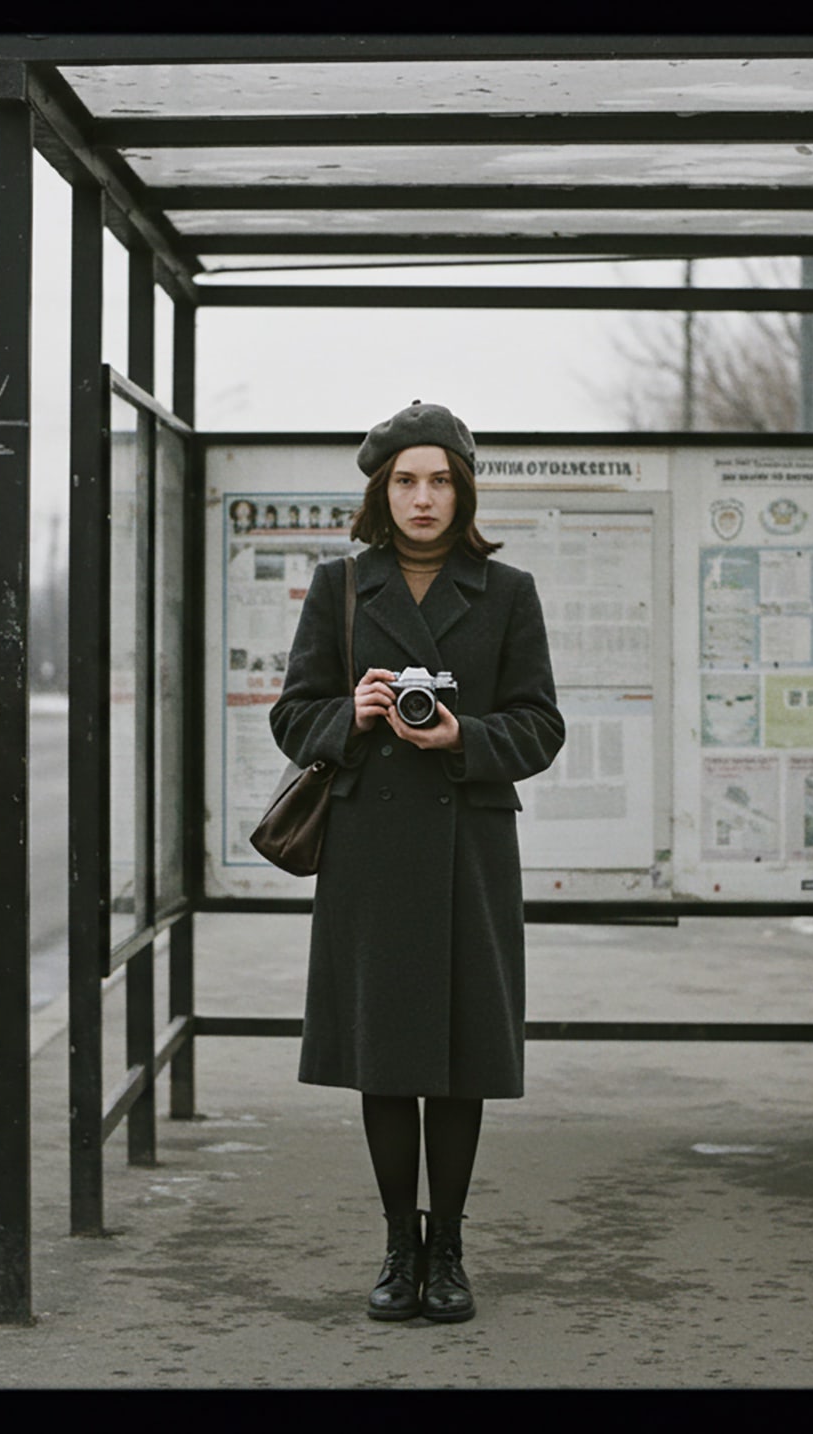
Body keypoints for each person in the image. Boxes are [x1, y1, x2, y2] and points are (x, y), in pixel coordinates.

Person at [269, 400, 565, 1324]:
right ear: (381, 490)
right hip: (372, 851)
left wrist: (459, 737)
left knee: (462, 1056)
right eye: (405, 480)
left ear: (462, 489)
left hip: (468, 848)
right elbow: (291, 713)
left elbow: (542, 725)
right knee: (388, 1059)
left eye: (439, 480)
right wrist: (348, 717)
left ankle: (451, 1250)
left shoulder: (506, 591)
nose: (423, 498)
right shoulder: (341, 586)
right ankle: (400, 1244)